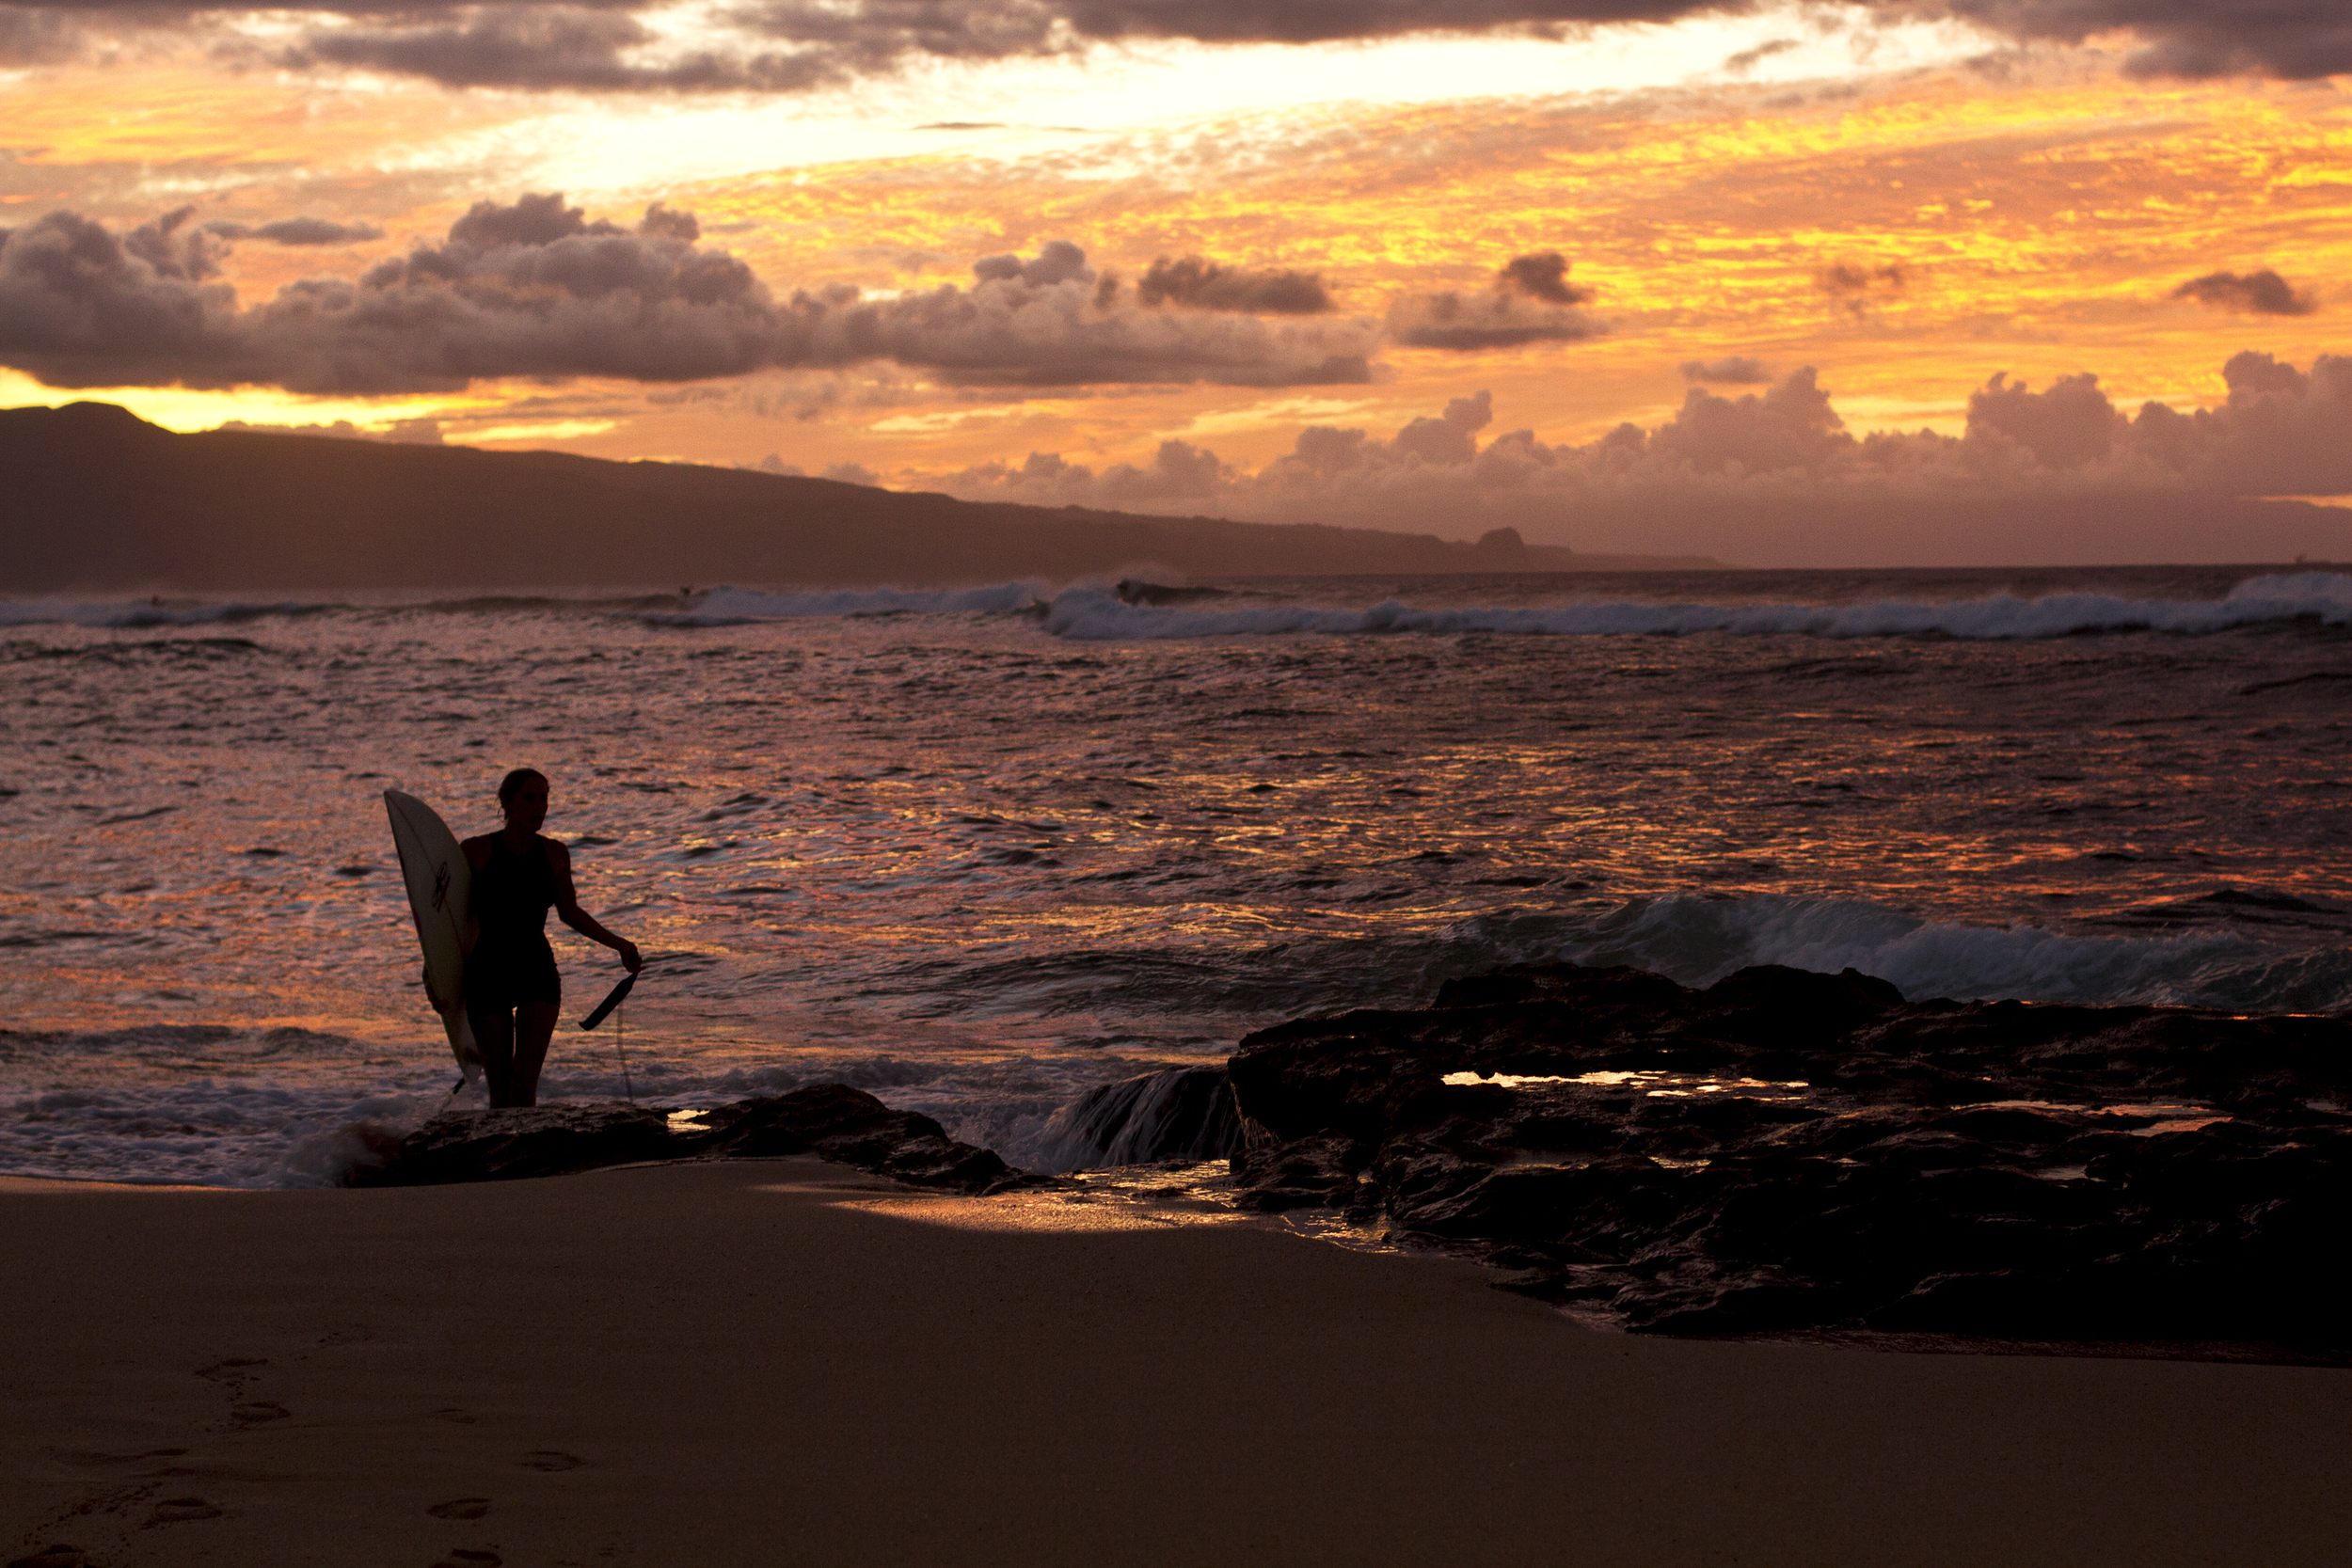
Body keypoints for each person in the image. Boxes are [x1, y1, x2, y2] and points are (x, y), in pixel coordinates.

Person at [462, 768, 642, 1108]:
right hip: (488, 972)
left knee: (524, 1087)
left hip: (536, 971)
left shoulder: (556, 854)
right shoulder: (476, 851)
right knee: (500, 1095)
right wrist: (436, 969)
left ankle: (526, 1153)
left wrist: (620, 944)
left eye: (544, 798)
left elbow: (569, 913)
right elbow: (451, 920)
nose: (540, 806)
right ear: (507, 802)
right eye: (530, 798)